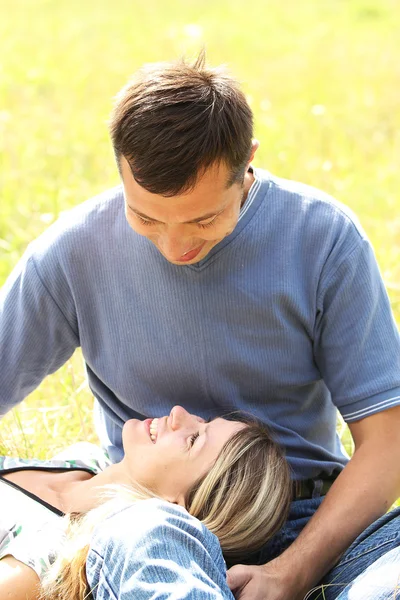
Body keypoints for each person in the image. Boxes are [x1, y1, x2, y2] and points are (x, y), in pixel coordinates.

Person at [0, 50, 399, 599]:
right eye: (146, 218)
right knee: (146, 535)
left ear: (247, 164)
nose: (175, 245)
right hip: (154, 516)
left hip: (313, 520)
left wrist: (294, 570)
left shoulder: (322, 238)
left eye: (204, 219)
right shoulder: (74, 253)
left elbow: (388, 442)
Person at [0, 407, 291, 600]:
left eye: (192, 440)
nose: (178, 413)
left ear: (176, 507)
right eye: (202, 422)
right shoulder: (83, 459)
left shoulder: (50, 556)